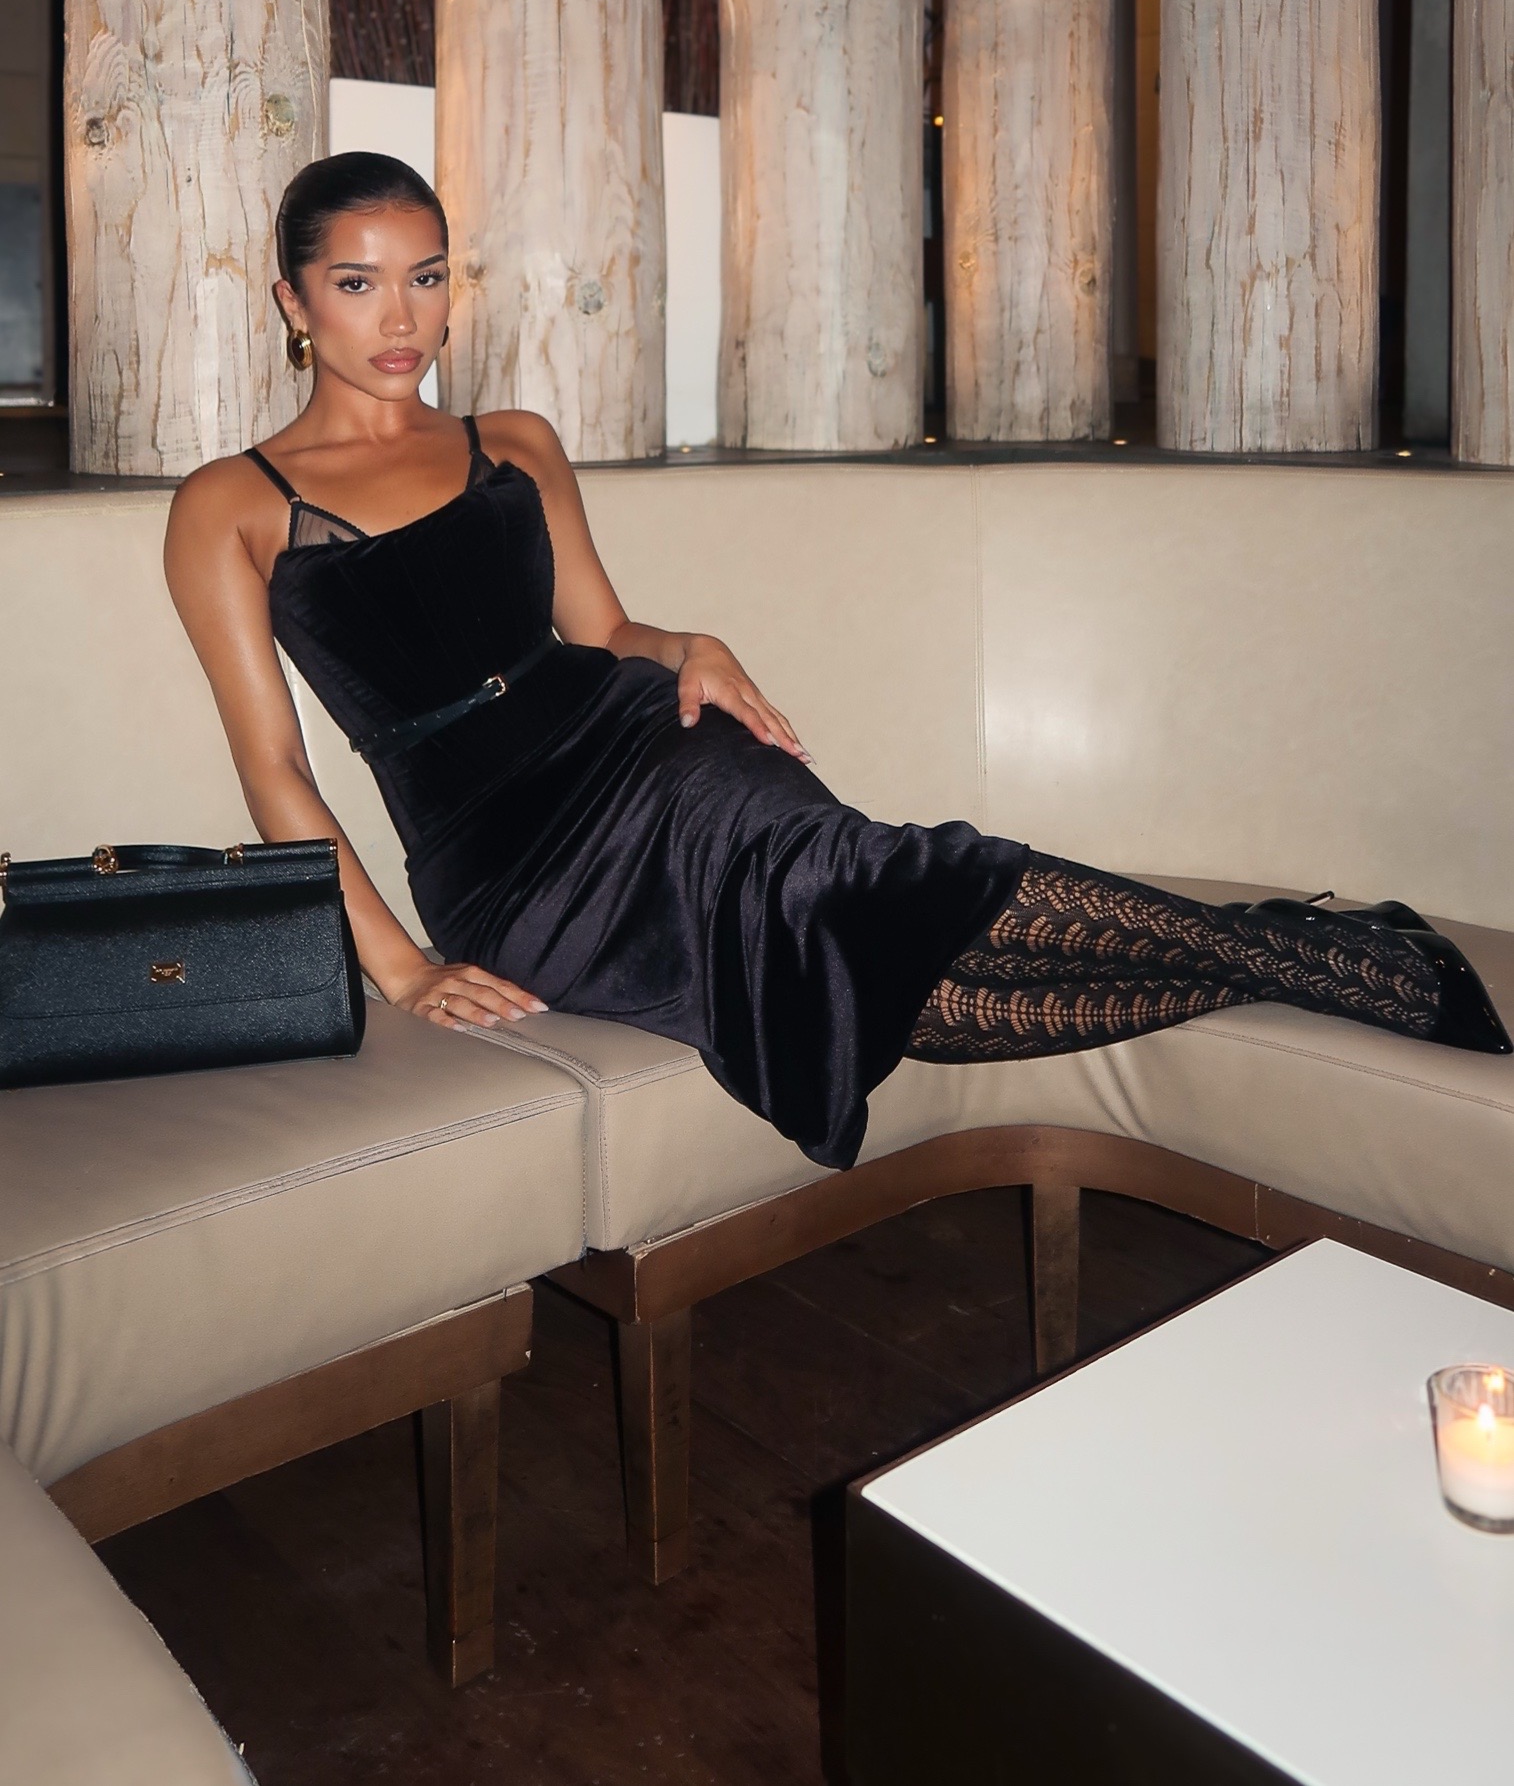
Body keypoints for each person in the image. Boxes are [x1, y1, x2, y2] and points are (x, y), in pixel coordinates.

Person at [165, 153, 1509, 1171]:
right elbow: (276, 767)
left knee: (864, 884)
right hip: (509, 873)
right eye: (358, 283)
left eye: (425, 275)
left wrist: (686, 644)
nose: (400, 316)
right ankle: (1323, 957)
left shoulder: (513, 441)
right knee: (887, 975)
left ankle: (1335, 968)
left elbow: (605, 633)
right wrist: (401, 967)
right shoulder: (232, 503)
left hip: (652, 750)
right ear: (295, 300)